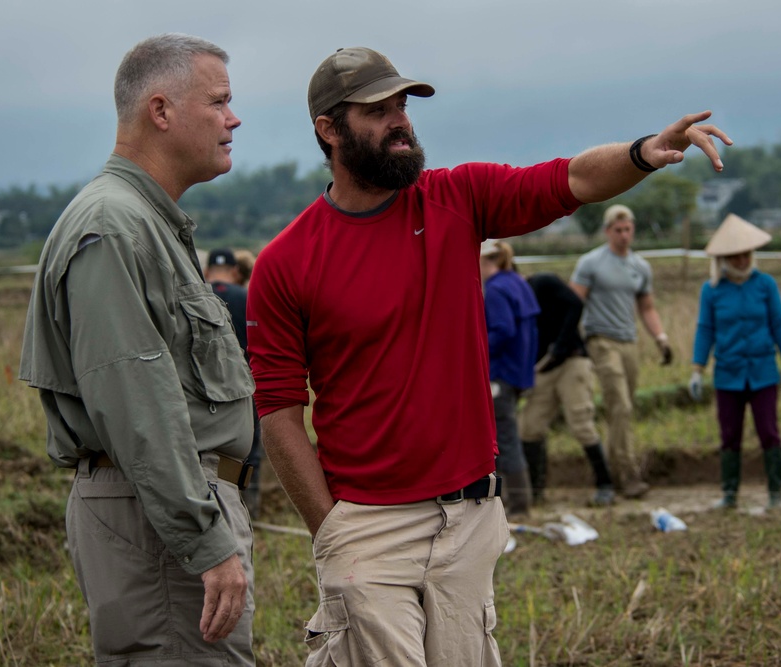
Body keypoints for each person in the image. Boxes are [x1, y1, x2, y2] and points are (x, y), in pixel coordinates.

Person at [246, 45, 730, 665]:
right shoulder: (287, 262)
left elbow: (570, 180)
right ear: (328, 129)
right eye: (377, 110)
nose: (400, 120)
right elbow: (280, 410)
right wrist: (331, 529)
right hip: (365, 523)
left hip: (468, 517)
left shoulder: (458, 199)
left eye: (402, 105)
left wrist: (642, 153)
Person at [18, 34, 256, 664]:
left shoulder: (145, 222)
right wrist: (205, 542)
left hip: (166, 513)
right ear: (161, 111)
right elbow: (137, 408)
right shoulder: (114, 227)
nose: (234, 119)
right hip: (160, 523)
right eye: (219, 101)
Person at [689, 214, 781, 510]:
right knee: (729, 435)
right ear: (724, 257)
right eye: (735, 255)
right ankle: (730, 495)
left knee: (769, 431)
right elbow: (706, 330)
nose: (741, 260)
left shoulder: (765, 284)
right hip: (728, 373)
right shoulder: (711, 290)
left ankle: (776, 494)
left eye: (746, 254)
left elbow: (779, 323)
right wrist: (697, 370)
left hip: (763, 371)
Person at [569, 204, 673, 499]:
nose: (624, 235)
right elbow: (573, 303)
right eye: (618, 230)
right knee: (621, 406)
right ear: (607, 231)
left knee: (623, 411)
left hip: (629, 341)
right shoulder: (591, 263)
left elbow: (647, 307)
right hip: (601, 340)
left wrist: (661, 338)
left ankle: (614, 472)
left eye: (628, 229)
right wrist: (571, 342)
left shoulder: (641, 267)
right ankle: (626, 475)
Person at [519, 272, 616, 506]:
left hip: (572, 362)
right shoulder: (504, 300)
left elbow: (575, 304)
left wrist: (561, 346)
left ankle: (605, 485)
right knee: (529, 427)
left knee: (581, 423)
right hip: (543, 369)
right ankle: (536, 490)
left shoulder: (543, 283)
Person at [480, 239, 539, 518]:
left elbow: (502, 330)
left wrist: (474, 348)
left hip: (500, 374)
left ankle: (518, 505)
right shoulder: (517, 281)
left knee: (505, 438)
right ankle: (519, 500)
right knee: (507, 435)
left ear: (485, 261)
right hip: (519, 372)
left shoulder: (495, 289)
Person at [205, 247, 264, 519]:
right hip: (244, 386)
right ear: (236, 272)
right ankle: (248, 507)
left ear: (207, 272)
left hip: (202, 390)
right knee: (249, 450)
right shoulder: (248, 297)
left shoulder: (198, 296)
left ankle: (210, 505)